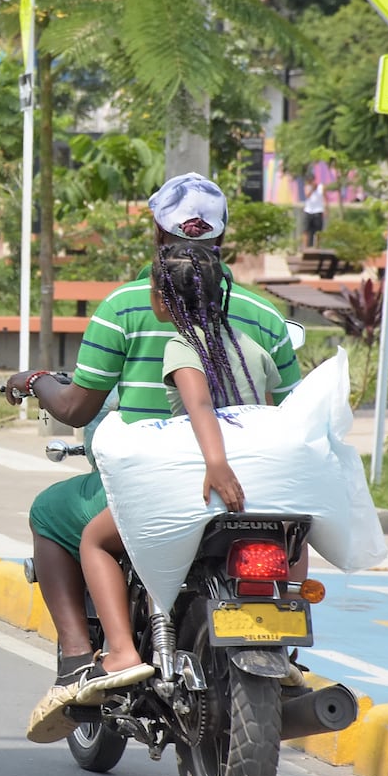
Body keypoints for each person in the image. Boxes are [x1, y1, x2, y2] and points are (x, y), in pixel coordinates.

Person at [3, 172, 302, 743]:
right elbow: (292, 412)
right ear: (222, 241)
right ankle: (281, 642)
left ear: (156, 236)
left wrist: (35, 379)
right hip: (251, 481)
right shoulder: (263, 319)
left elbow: (76, 406)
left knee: (52, 515)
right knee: (292, 534)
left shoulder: (135, 312)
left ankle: (84, 658)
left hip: (157, 482)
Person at [76, 243, 279, 695]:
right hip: (256, 482)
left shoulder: (182, 347)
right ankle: (280, 644)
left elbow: (200, 407)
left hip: (202, 478)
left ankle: (122, 652)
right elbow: (267, 414)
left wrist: (217, 465)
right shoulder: (251, 348)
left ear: (162, 300)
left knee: (96, 540)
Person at [304, 180, 325, 248]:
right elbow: (307, 195)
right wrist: (312, 189)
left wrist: (326, 209)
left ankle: (317, 246)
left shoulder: (321, 187)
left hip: (318, 211)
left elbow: (325, 198)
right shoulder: (307, 187)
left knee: (318, 231)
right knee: (306, 230)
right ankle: (305, 247)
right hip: (308, 211)